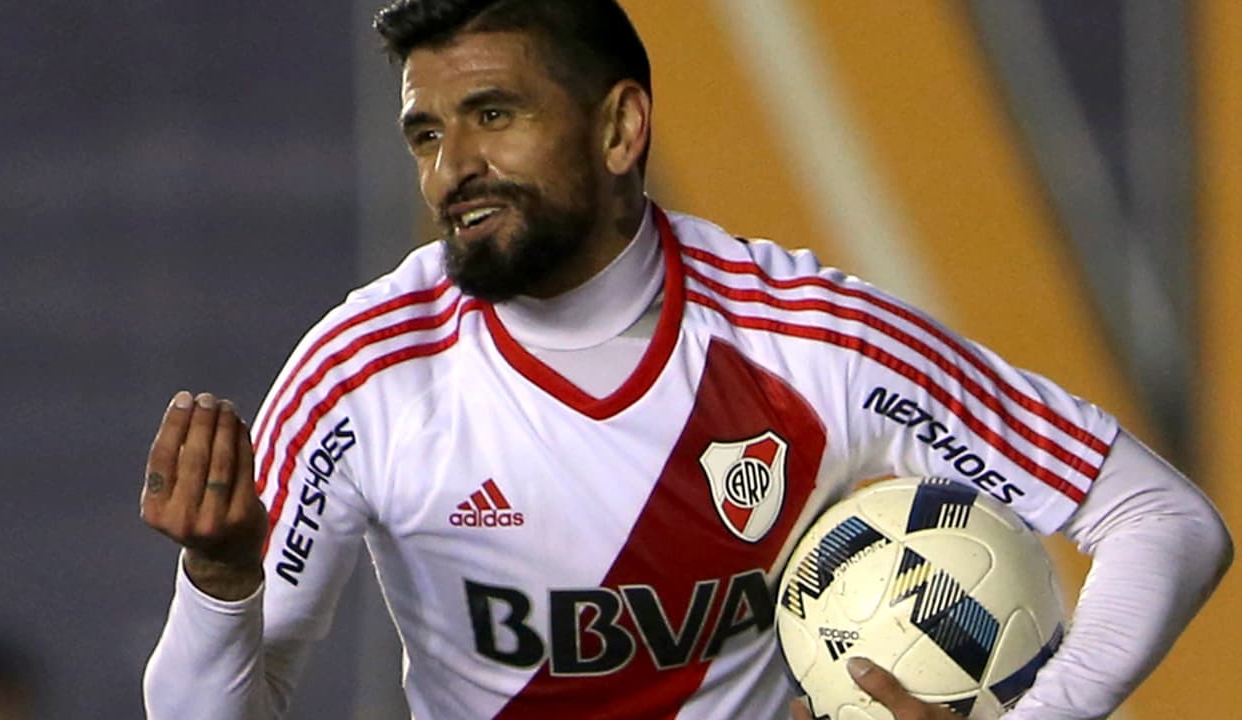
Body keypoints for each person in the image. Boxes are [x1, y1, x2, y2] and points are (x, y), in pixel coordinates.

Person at [139, 1, 1233, 718]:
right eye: (425, 134)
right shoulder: (366, 366)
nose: (452, 169)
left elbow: (1160, 520)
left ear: (620, 131)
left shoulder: (811, 338)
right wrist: (220, 585)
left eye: (492, 115)